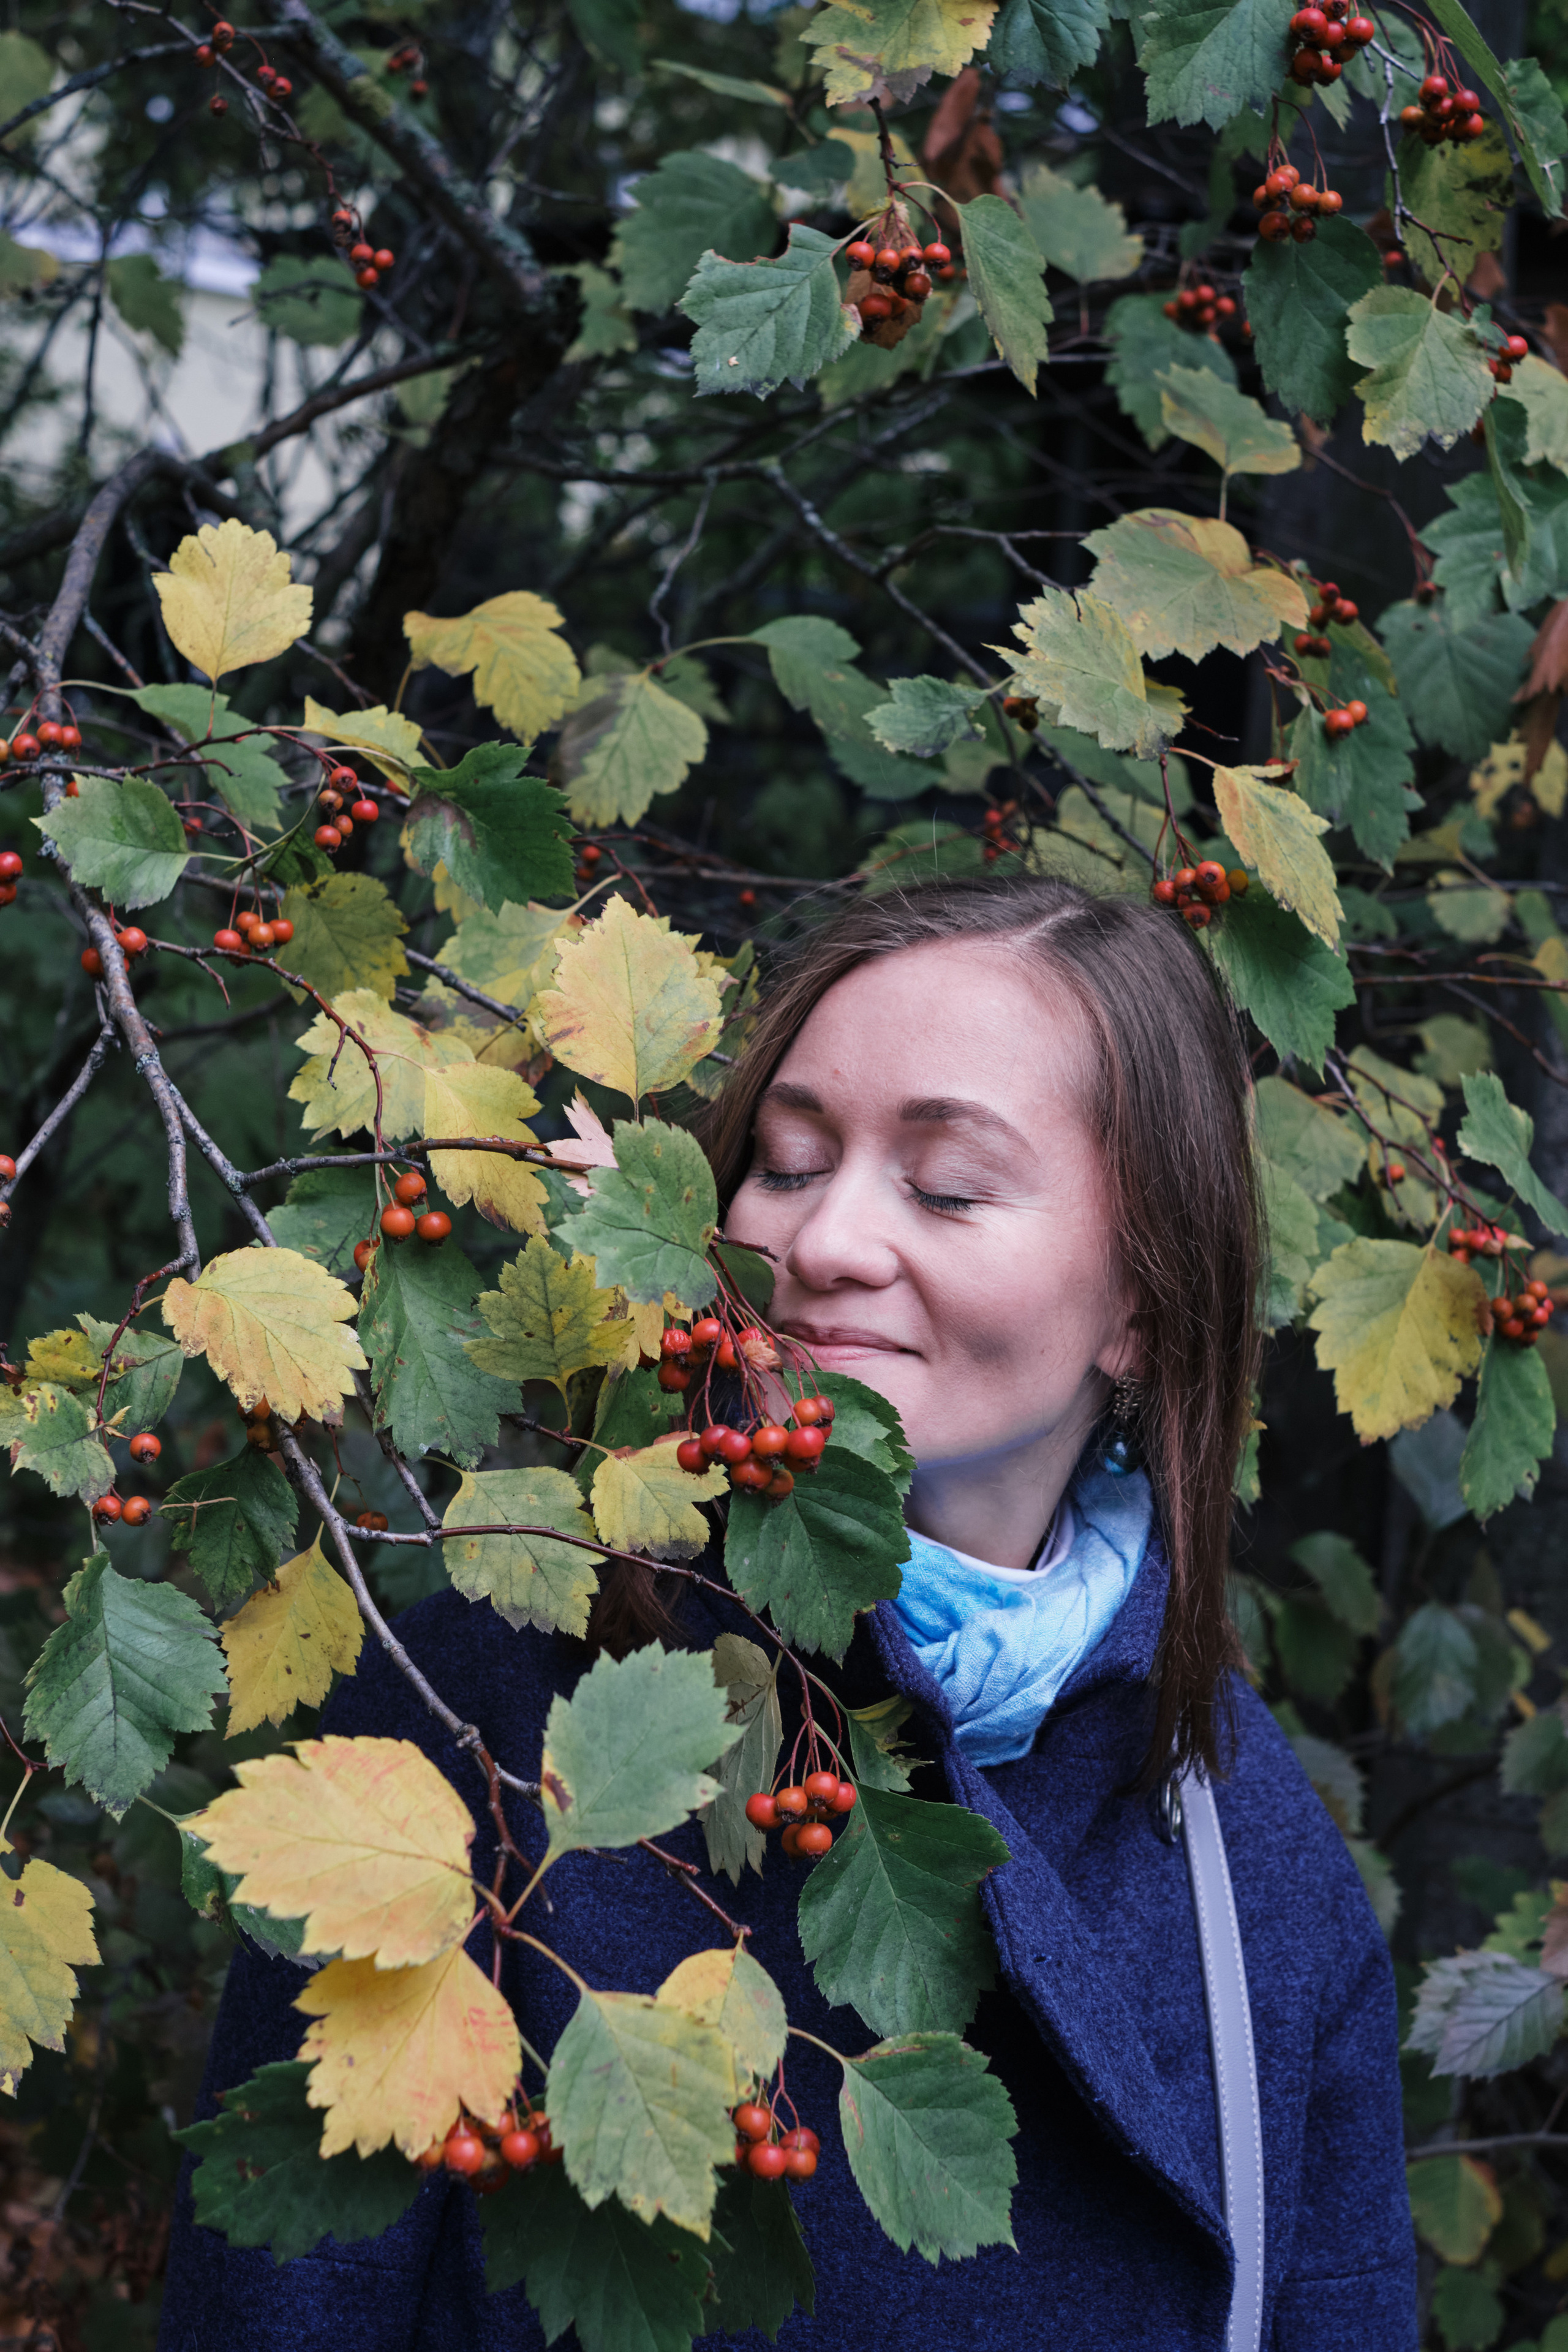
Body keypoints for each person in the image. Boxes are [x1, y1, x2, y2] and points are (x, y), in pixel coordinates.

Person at [159, 875, 1417, 2351]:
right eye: (788, 1160)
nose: (821, 1241)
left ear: (1142, 1299)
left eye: (945, 1185)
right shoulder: (482, 1720)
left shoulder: (1249, 1859)